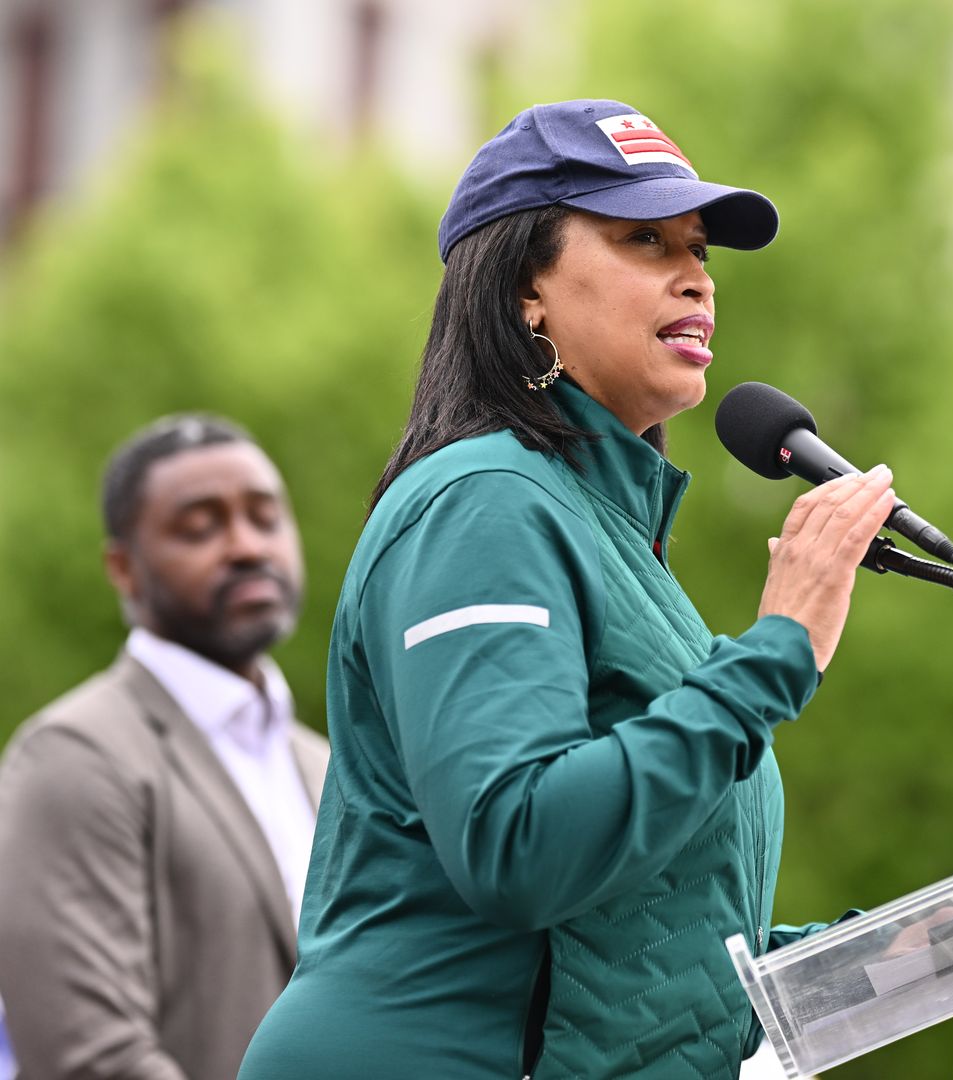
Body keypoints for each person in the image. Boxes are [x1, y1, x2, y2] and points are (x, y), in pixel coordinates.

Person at [240, 100, 893, 1080]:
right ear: (524, 292)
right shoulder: (483, 504)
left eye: (700, 249)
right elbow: (520, 844)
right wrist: (773, 652)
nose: (695, 277)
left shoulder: (609, 533)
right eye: (643, 238)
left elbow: (633, 928)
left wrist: (887, 958)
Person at [0, 415, 328, 1080]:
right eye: (199, 527)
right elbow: (89, 1056)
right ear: (123, 567)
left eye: (264, 517)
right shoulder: (75, 757)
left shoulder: (323, 763)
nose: (245, 546)